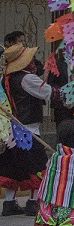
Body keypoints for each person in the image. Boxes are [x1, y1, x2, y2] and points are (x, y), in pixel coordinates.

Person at [1, 43, 50, 216]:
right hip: (27, 128)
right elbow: (47, 92)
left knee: (13, 166)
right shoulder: (27, 78)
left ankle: (9, 203)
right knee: (37, 165)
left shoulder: (6, 79)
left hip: (11, 129)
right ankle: (33, 202)